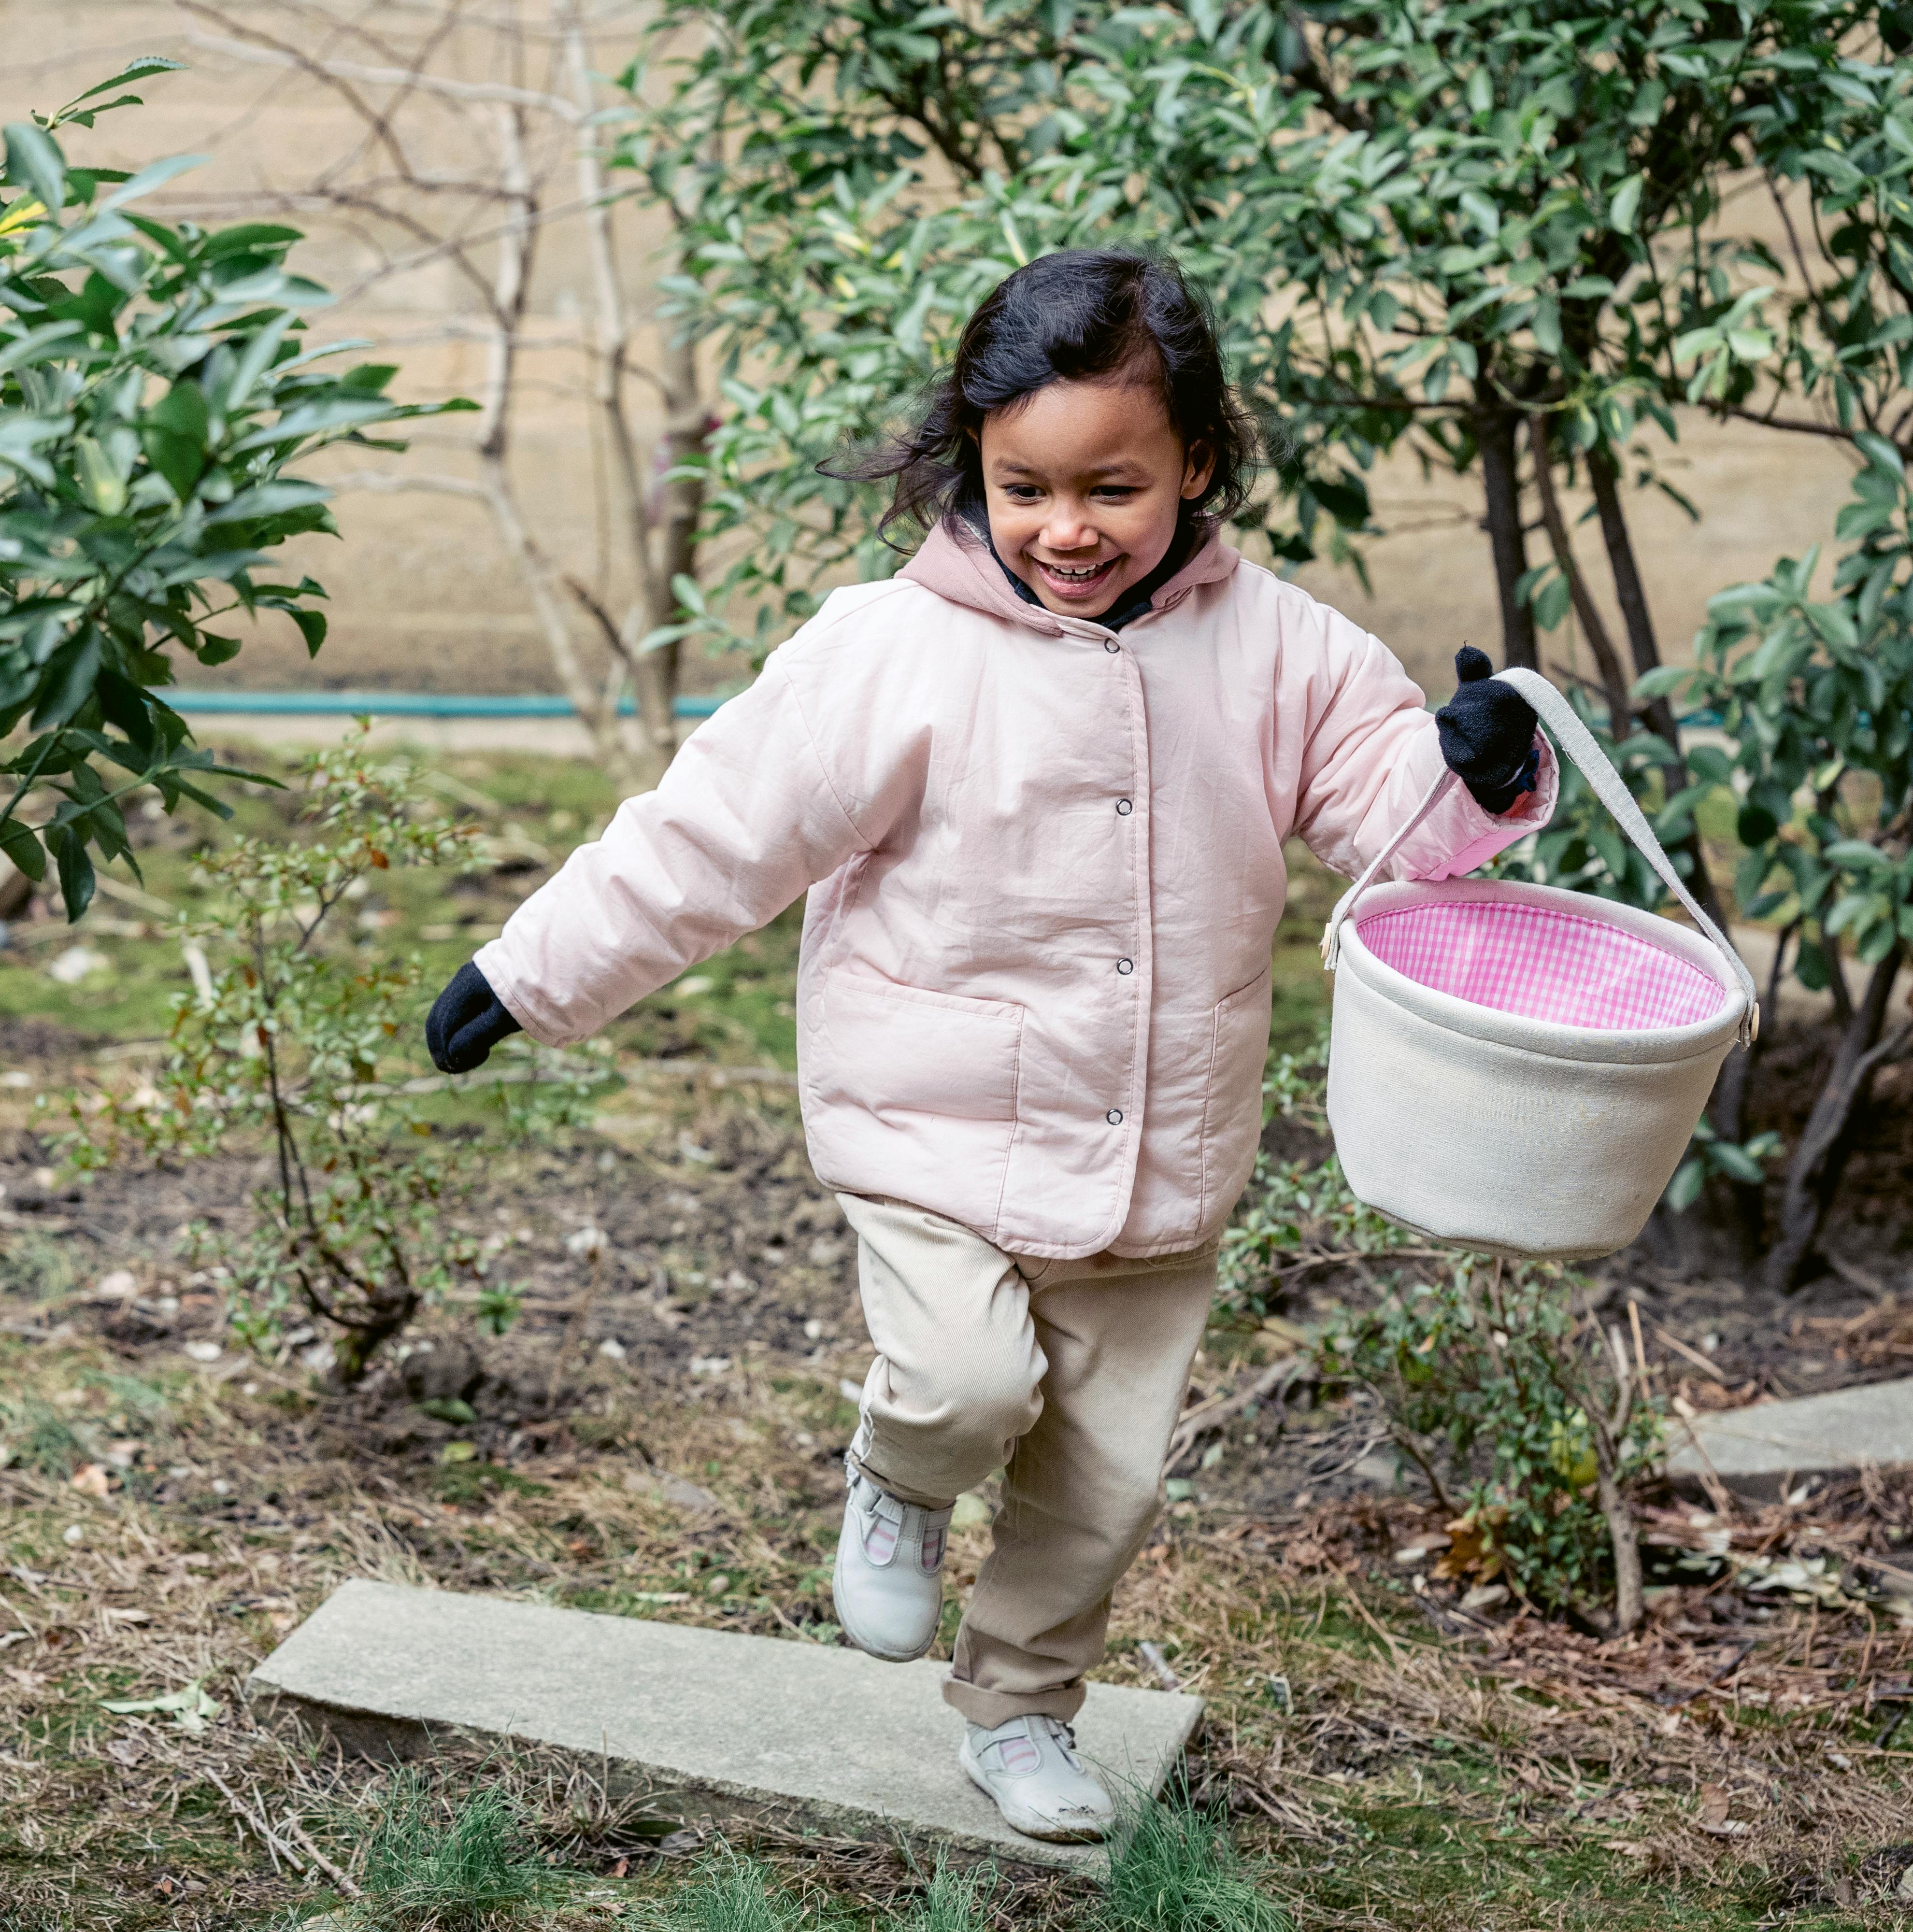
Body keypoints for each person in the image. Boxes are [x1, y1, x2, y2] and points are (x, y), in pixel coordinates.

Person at [419, 249, 1549, 1842]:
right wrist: (531, 972)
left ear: (1198, 467)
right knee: (960, 1386)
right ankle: (897, 1475)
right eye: (1025, 487)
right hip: (932, 1127)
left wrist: (1477, 774)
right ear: (974, 471)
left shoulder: (1281, 649)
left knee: (1102, 1491)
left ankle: (1020, 1713)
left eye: (1113, 486)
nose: (1067, 528)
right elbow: (714, 833)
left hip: (1163, 1156)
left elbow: (1390, 815)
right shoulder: (892, 650)